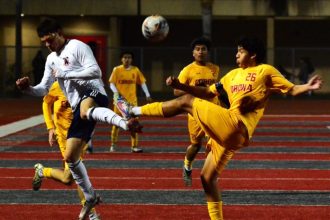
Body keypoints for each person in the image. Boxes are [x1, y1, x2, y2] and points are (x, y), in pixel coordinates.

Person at [115, 36, 322, 220]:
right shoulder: (231, 75)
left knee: (186, 102)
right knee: (207, 178)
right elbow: (207, 92)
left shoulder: (264, 70)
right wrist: (182, 85)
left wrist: (309, 87)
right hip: (230, 134)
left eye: (241, 51)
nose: (237, 54)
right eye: (237, 50)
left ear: (253, 54)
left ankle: (132, 111)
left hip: (236, 126)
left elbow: (292, 89)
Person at [16, 17, 142, 220]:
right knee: (70, 159)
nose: (48, 45)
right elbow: (43, 90)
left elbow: (96, 71)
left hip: (94, 92)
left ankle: (124, 123)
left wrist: (67, 74)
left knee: (85, 110)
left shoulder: (76, 46)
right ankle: (90, 196)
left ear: (59, 32)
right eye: (44, 42)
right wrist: (27, 89)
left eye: (50, 39)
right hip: (77, 109)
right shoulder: (50, 60)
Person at [33, 81, 100, 220]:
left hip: (78, 136)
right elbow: (46, 103)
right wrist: (50, 127)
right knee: (75, 175)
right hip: (64, 138)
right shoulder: (58, 85)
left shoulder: (86, 86)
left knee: (68, 178)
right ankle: (92, 213)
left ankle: (42, 171)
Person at [174, 37, 220, 186]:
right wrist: (195, 90)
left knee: (213, 143)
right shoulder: (187, 70)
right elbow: (176, 91)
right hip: (195, 112)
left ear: (208, 52)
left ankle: (210, 173)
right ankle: (187, 164)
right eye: (198, 49)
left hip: (212, 111)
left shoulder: (214, 69)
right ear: (193, 53)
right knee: (195, 145)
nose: (201, 52)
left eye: (203, 49)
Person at [108, 51, 152, 153]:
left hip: (132, 102)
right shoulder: (117, 70)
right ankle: (113, 145)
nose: (127, 59)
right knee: (116, 124)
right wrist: (116, 94)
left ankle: (134, 146)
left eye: (129, 58)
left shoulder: (135, 70)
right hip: (120, 102)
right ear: (121, 59)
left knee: (134, 124)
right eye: (125, 57)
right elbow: (111, 84)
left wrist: (147, 94)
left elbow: (142, 82)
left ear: (131, 59)